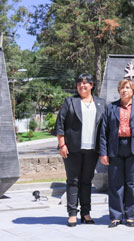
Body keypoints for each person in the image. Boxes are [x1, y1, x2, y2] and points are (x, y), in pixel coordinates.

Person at [55, 73, 106, 227]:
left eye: (86, 83)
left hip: (93, 149)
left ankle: (86, 213)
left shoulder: (101, 103)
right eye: (79, 83)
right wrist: (62, 144)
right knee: (73, 181)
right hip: (72, 149)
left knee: (86, 181)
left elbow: (105, 126)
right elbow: (60, 124)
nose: (82, 86)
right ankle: (72, 213)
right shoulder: (70, 101)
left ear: (92, 85)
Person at [99, 79, 134, 228]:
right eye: (122, 87)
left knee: (133, 183)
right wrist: (104, 152)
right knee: (115, 183)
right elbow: (104, 132)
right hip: (115, 148)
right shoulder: (111, 108)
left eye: (127, 87)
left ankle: (130, 216)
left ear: (133, 90)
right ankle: (116, 216)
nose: (124, 90)